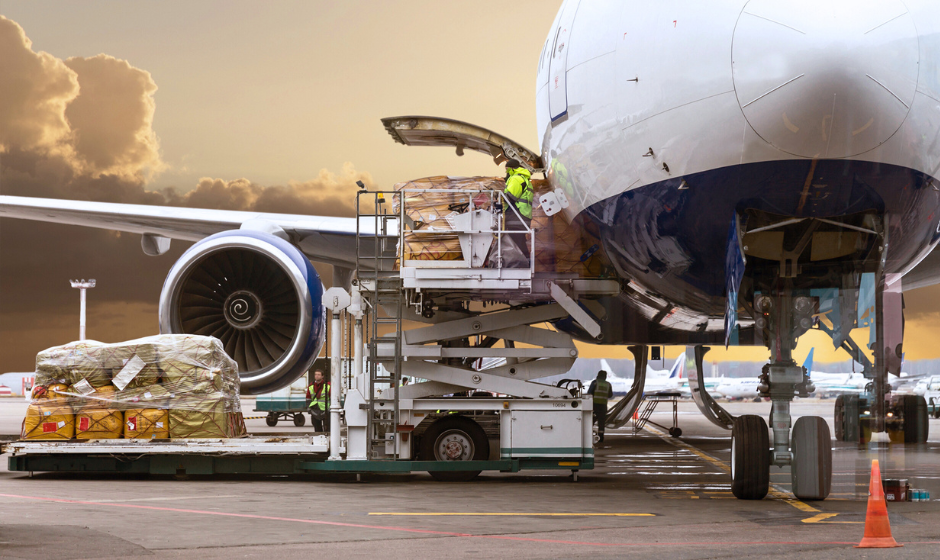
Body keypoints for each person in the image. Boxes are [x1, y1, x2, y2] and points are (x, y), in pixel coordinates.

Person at [502, 159, 534, 263]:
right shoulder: (524, 178)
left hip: (517, 215)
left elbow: (511, 197)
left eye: (506, 169)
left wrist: (499, 199)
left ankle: (523, 263)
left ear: (511, 168)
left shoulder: (516, 178)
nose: (506, 172)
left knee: (516, 241)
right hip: (522, 215)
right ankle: (525, 261)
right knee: (519, 240)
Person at [587, 370, 612, 442]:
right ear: (605, 376)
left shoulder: (595, 383)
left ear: (598, 375)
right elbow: (610, 395)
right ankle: (601, 437)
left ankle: (588, 435)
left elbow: (589, 393)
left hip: (594, 405)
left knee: (590, 421)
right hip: (603, 406)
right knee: (601, 422)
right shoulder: (608, 384)